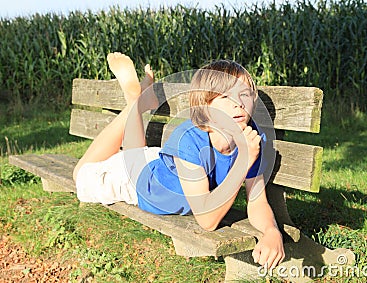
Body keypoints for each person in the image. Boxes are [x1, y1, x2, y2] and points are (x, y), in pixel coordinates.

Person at [73, 52, 285, 270]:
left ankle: (138, 101)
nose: (239, 104)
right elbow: (207, 221)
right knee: (80, 175)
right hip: (135, 182)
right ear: (205, 107)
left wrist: (271, 231)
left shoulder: (252, 136)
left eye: (245, 95)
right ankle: (134, 102)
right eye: (225, 97)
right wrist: (244, 161)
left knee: (135, 152)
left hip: (163, 164)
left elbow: (257, 201)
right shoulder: (190, 138)